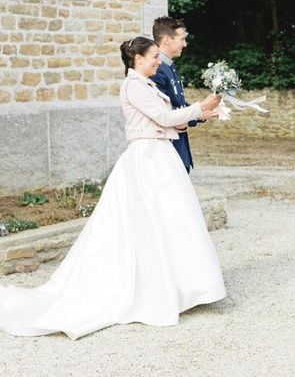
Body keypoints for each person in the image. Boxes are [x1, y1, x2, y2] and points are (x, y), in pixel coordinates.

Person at [0, 37, 226, 339]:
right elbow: (162, 117)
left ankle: (181, 286)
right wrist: (199, 105)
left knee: (172, 221)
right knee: (152, 223)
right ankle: (155, 290)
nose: (158, 61)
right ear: (137, 58)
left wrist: (200, 114)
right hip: (146, 159)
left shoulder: (147, 85)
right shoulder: (133, 85)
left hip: (160, 155)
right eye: (154, 56)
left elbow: (167, 123)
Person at [150, 16, 198, 173]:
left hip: (179, 145)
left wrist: (203, 111)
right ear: (167, 39)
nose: (185, 44)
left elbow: (178, 104)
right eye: (182, 39)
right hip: (168, 146)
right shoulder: (157, 70)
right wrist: (199, 111)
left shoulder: (169, 66)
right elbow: (165, 114)